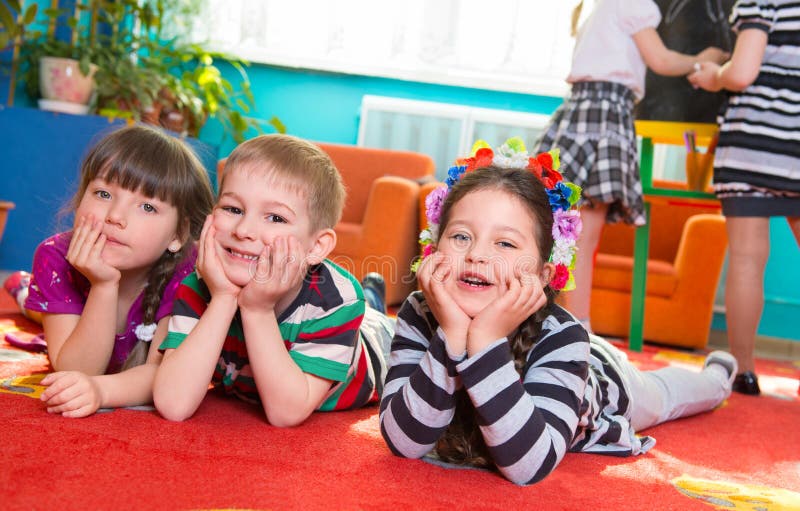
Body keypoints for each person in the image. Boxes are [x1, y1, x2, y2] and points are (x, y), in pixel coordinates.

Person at [379, 139, 737, 486]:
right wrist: (453, 333)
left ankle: (717, 378)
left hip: (600, 377)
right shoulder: (419, 312)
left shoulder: (563, 335)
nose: (476, 255)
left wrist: (484, 340)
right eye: (460, 237)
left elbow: (528, 466)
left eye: (505, 243)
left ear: (543, 273)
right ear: (433, 246)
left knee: (665, 395)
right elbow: (405, 442)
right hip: (541, 350)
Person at [153, 134, 393, 426]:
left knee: (375, 318)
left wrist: (258, 309)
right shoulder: (199, 286)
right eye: (233, 209)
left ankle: (371, 299)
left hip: (375, 343)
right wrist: (223, 298)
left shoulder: (336, 300)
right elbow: (173, 404)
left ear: (316, 247)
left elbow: (285, 413)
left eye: (275, 218)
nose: (244, 230)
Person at [533, 0, 729, 331]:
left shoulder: (601, 6)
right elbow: (661, 60)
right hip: (605, 111)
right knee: (583, 234)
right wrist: (704, 60)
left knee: (569, 230)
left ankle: (560, 322)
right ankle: (576, 327)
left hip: (583, 107)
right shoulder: (631, 3)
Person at [15, 124, 215, 417]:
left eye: (147, 207)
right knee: (30, 308)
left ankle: (21, 289)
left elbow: (163, 376)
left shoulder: (188, 271)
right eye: (103, 194)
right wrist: (103, 285)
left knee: (29, 301)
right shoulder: (54, 256)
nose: (115, 217)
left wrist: (100, 391)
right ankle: (21, 288)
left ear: (178, 234)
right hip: (64, 296)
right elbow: (76, 370)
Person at [688, 0, 800, 396]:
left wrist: (712, 75)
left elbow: (742, 73)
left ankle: (745, 371)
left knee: (748, 259)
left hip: (754, 143)